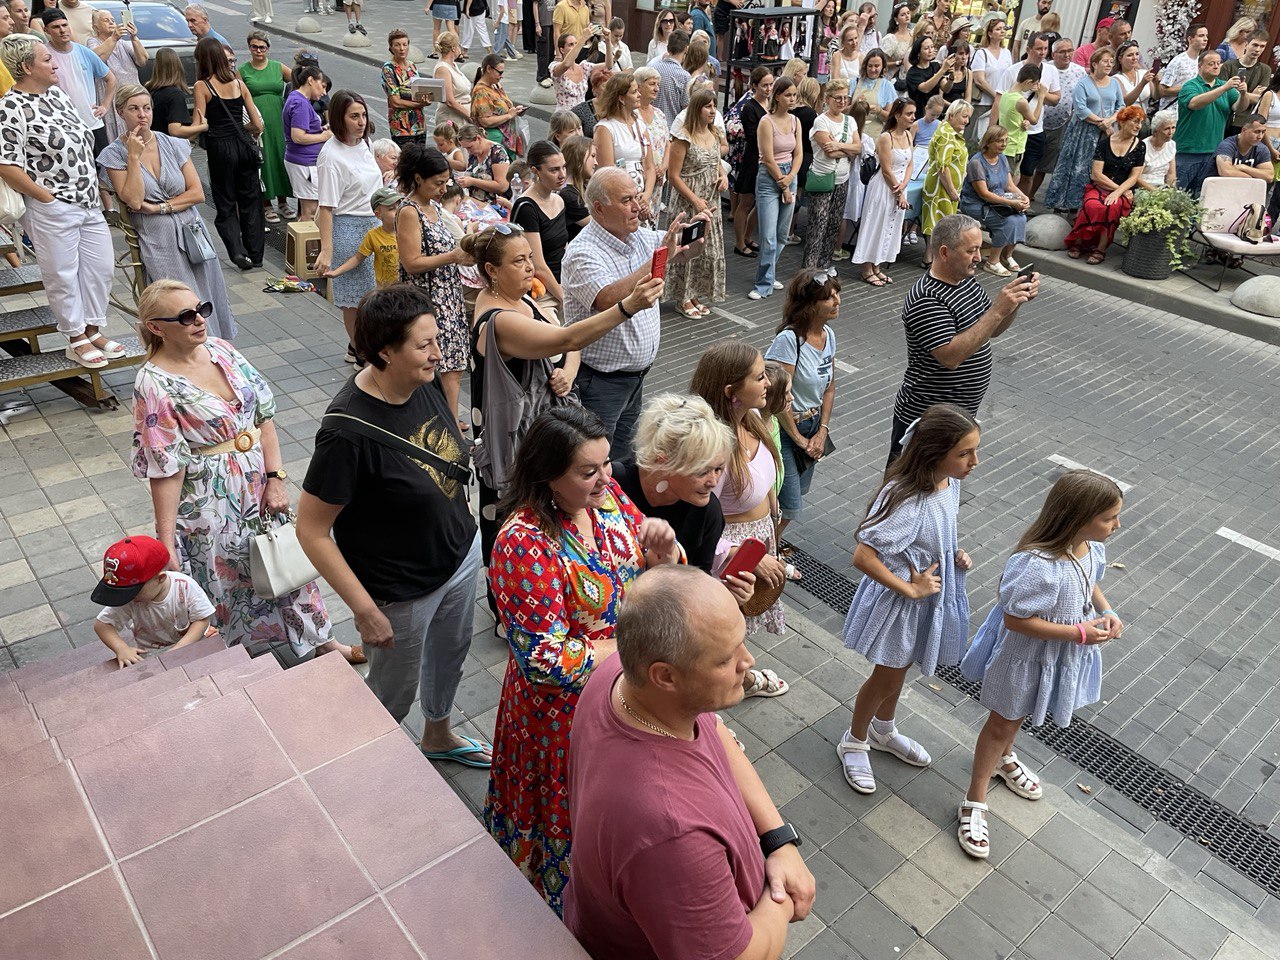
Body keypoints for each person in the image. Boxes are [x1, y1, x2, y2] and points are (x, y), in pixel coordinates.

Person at [563, 566, 816, 960]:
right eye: (724, 659)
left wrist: (778, 840)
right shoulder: (669, 833)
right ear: (665, 675)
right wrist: (781, 898)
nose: (748, 662)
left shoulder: (621, 676)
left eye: (742, 644)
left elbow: (714, 732)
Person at [485, 406, 680, 914]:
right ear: (549, 476)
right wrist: (633, 649)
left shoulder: (608, 499)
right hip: (557, 718)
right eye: (588, 471)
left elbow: (646, 562)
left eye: (607, 463)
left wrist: (663, 552)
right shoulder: (522, 542)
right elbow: (542, 657)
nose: (605, 478)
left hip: (622, 690)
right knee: (564, 810)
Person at [297, 284, 488, 762]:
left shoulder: (424, 385)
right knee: (392, 691)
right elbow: (311, 530)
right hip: (400, 590)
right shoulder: (346, 432)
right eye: (424, 345)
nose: (437, 353)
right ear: (385, 351)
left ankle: (439, 735)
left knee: (450, 659)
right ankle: (371, 762)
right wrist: (363, 610)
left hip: (458, 557)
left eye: (436, 339)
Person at [132, 280, 358, 662]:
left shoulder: (222, 351)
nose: (199, 320)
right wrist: (166, 538)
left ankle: (323, 641)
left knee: (289, 560)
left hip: (257, 484)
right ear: (156, 327)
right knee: (226, 582)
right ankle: (239, 660)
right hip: (207, 503)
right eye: (185, 316)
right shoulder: (152, 382)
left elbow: (263, 417)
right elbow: (165, 464)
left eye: (201, 309)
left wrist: (276, 479)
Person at [465, 222, 663, 569]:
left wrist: (568, 373)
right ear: (491, 270)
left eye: (529, 257)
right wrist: (627, 307)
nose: (530, 267)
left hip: (545, 435)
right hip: (519, 446)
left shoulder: (524, 298)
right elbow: (568, 339)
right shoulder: (498, 320)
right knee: (523, 527)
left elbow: (569, 346)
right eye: (518, 261)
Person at [958, 470, 1124, 858]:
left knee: (1016, 717)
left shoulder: (1088, 546)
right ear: (1077, 517)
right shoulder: (1037, 564)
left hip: (1052, 653)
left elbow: (1091, 579)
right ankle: (974, 799)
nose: (1117, 525)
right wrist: (1079, 634)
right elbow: (1016, 619)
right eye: (1109, 518)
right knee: (1002, 722)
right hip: (1025, 657)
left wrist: (1106, 608)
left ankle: (1004, 759)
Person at [838, 405, 979, 795]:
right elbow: (863, 555)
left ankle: (884, 729)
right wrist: (909, 588)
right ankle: (854, 739)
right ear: (935, 453)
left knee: (900, 671)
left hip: (925, 598)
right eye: (965, 453)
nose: (974, 462)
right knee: (887, 675)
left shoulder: (949, 484)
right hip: (902, 604)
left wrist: (955, 553)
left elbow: (939, 532)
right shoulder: (907, 499)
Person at [561, 167, 707, 459]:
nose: (638, 206)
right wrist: (659, 259)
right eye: (627, 200)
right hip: (599, 382)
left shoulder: (638, 235)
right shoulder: (582, 252)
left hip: (635, 378)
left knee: (623, 455)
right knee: (595, 457)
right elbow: (606, 298)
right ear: (600, 208)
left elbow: (677, 253)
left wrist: (693, 243)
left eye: (637, 197)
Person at [0, 33, 119, 369]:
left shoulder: (57, 94)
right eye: (46, 59)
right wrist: (45, 197)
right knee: (62, 275)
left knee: (100, 268)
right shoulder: (10, 107)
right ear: (26, 67)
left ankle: (93, 328)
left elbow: (80, 140)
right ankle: (75, 336)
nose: (54, 63)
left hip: (87, 200)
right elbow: (6, 163)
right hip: (53, 206)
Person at [888, 214, 1038, 461]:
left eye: (979, 248)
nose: (979, 257)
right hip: (927, 420)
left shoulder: (967, 281)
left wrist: (1014, 302)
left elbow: (993, 329)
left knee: (943, 489)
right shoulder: (926, 298)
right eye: (972, 250)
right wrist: (998, 309)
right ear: (945, 252)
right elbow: (951, 356)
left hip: (959, 416)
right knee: (909, 490)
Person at [99, 84, 235, 339]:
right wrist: (133, 157)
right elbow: (135, 201)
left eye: (147, 108)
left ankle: (214, 350)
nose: (142, 114)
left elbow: (197, 193)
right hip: (157, 239)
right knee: (176, 303)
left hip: (192, 232)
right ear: (120, 112)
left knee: (207, 294)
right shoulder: (113, 154)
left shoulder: (173, 144)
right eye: (134, 108)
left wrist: (161, 207)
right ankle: (183, 354)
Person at [690, 342, 792, 654]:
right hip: (728, 553)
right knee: (720, 633)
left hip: (755, 543)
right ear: (731, 389)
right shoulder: (712, 447)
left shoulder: (752, 418)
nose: (769, 383)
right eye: (760, 378)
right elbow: (695, 523)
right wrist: (744, 556)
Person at [393, 143, 471, 430]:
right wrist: (453, 256)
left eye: (445, 182)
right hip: (428, 298)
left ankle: (448, 418)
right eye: (437, 183)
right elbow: (411, 262)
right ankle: (442, 422)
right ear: (418, 179)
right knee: (436, 363)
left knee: (454, 363)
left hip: (448, 294)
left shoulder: (434, 207)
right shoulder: (410, 211)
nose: (442, 189)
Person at [764, 268, 838, 536]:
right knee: (789, 505)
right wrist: (797, 438)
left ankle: (770, 550)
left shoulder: (829, 336)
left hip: (812, 425)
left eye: (837, 293)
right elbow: (778, 398)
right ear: (810, 305)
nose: (838, 301)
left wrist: (822, 430)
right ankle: (763, 555)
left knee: (792, 501)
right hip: (784, 430)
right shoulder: (789, 340)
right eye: (829, 297)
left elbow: (829, 387)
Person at [315, 90, 381, 358]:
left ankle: (360, 347)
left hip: (375, 225)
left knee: (374, 296)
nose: (361, 121)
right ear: (339, 118)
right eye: (354, 116)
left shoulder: (364, 143)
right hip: (348, 230)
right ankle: (360, 352)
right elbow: (326, 208)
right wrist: (327, 250)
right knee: (355, 301)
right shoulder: (330, 156)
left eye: (363, 115)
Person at [193, 36, 263, 271]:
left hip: (220, 148)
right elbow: (257, 124)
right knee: (250, 200)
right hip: (244, 146)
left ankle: (237, 252)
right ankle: (256, 253)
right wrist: (241, 131)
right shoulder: (238, 84)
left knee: (225, 202)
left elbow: (199, 124)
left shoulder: (203, 86)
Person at [92, 535, 216, 667]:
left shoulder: (185, 587)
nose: (128, 598)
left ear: (160, 578)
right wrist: (122, 649)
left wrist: (179, 649)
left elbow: (202, 620)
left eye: (132, 592)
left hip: (193, 643)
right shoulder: (132, 599)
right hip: (152, 653)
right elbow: (102, 625)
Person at [665, 88, 725, 318]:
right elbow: (674, 175)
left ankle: (696, 293)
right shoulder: (683, 136)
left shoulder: (715, 133)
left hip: (711, 198)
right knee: (687, 247)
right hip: (688, 200)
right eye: (707, 106)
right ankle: (682, 297)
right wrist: (694, 200)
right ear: (696, 108)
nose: (712, 111)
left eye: (714, 106)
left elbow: (716, 161)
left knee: (705, 248)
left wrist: (723, 175)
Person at [1064, 104, 1146, 264]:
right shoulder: (1104, 143)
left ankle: (1100, 249)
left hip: (1123, 189)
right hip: (1102, 187)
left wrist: (1119, 193)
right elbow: (1096, 175)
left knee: (1113, 207)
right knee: (1093, 205)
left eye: (1141, 122)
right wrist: (1118, 191)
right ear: (1122, 122)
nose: (1139, 126)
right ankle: (1078, 242)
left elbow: (1134, 177)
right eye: (1135, 121)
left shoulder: (1140, 146)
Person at [1043, 47, 1121, 212]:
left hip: (1105, 133)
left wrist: (1110, 121)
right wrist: (1102, 122)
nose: (1109, 64)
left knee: (1097, 169)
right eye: (1105, 61)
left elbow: (1120, 106)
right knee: (1075, 167)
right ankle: (1064, 204)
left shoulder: (1114, 83)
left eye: (1111, 61)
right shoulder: (1083, 83)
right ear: (1094, 63)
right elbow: (1081, 109)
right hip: (1083, 133)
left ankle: (1087, 206)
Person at [748, 75, 801, 302]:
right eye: (787, 95)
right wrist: (783, 182)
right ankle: (763, 283)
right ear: (777, 96)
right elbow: (767, 158)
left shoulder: (795, 121)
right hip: (770, 179)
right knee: (768, 236)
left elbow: (798, 153)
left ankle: (769, 273)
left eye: (794, 95)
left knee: (781, 234)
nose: (791, 99)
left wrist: (790, 178)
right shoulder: (765, 122)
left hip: (789, 175)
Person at [854, 97, 914, 287]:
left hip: (899, 187)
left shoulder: (908, 136)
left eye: (913, 113)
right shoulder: (885, 137)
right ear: (897, 115)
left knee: (891, 226)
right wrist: (898, 192)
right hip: (883, 188)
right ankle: (866, 269)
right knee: (876, 225)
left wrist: (903, 184)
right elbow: (887, 170)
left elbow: (910, 163)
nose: (913, 117)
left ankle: (877, 265)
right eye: (909, 114)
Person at [40, 9, 112, 160]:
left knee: (106, 172)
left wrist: (104, 105)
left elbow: (110, 79)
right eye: (55, 27)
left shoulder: (83, 51)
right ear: (46, 30)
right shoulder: (44, 55)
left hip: (93, 123)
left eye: (64, 25)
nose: (62, 30)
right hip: (63, 127)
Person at [803, 79, 860, 270]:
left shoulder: (850, 121)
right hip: (823, 177)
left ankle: (824, 266)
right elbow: (830, 152)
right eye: (838, 98)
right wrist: (848, 149)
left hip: (842, 179)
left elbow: (858, 147)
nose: (843, 101)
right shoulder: (821, 121)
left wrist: (839, 145)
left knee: (834, 224)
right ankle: (809, 269)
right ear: (828, 99)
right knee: (818, 225)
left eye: (846, 97)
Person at [960, 125, 1029, 276]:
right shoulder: (976, 163)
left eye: (1005, 141)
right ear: (988, 143)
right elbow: (984, 194)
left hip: (999, 201)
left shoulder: (1002, 158)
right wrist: (1011, 203)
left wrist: (1023, 197)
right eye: (999, 141)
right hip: (976, 204)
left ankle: (1007, 255)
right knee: (1008, 221)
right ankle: (992, 261)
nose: (1004, 144)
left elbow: (1009, 185)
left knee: (1022, 217)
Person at [1176, 50, 1245, 196]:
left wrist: (1243, 94)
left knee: (1202, 195)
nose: (1216, 66)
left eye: (1218, 63)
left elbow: (1238, 108)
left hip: (1213, 150)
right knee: (1178, 192)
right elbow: (1194, 103)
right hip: (1188, 150)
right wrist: (1224, 88)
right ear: (1200, 66)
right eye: (1211, 63)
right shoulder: (1191, 85)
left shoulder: (1223, 86)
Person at [240, 30, 291, 224]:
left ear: (268, 49)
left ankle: (283, 201)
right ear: (249, 48)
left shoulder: (278, 67)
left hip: (279, 121)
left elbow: (300, 80)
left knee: (280, 157)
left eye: (262, 47)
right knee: (263, 160)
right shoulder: (243, 71)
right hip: (257, 123)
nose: (258, 50)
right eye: (254, 46)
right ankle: (266, 204)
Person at [511, 140, 569, 307]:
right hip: (541, 290)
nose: (562, 175)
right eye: (554, 170)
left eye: (563, 167)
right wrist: (564, 299)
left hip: (564, 281)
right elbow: (538, 265)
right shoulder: (527, 208)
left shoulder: (559, 200)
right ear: (535, 171)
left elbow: (564, 247)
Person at [594, 72, 656, 225]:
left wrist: (646, 197)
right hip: (621, 201)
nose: (639, 95)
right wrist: (632, 199)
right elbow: (607, 173)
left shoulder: (640, 125)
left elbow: (649, 167)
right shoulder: (605, 128)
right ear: (621, 98)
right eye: (634, 92)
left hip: (642, 201)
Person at [1030, 37, 1084, 198]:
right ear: (1053, 54)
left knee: (1045, 164)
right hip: (1035, 121)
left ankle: (1031, 194)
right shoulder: (1045, 68)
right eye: (1062, 52)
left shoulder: (1079, 71)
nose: (1067, 54)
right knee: (1028, 161)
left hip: (1060, 125)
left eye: (1070, 50)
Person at [921, 100, 971, 264]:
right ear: (951, 115)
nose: (967, 121)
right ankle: (930, 257)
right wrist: (951, 190)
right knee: (936, 222)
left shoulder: (952, 131)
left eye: (968, 117)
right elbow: (943, 167)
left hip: (947, 187)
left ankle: (934, 256)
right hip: (941, 187)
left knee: (942, 222)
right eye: (964, 117)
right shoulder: (946, 134)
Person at [730, 66, 771, 258]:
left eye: (771, 85)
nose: (769, 89)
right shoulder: (749, 108)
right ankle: (739, 242)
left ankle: (747, 236)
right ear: (754, 86)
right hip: (753, 160)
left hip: (766, 159)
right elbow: (754, 137)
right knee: (746, 201)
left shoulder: (770, 104)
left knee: (760, 202)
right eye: (764, 85)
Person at [86, 8, 144, 144]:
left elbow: (142, 60)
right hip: (112, 100)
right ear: (96, 27)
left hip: (132, 96)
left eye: (112, 20)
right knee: (117, 135)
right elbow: (97, 59)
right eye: (106, 20)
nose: (111, 22)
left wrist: (134, 38)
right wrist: (113, 38)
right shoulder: (92, 42)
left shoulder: (123, 43)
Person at [324, 186, 401, 288]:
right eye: (391, 209)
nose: (398, 211)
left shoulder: (411, 231)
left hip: (409, 289)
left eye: (400, 206)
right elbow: (358, 258)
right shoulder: (373, 236)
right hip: (386, 291)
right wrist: (336, 272)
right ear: (378, 215)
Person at [282, 65, 329, 222]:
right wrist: (324, 136)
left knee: (311, 210)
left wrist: (319, 129)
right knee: (310, 211)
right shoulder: (300, 103)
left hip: (304, 161)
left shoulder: (298, 99)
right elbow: (298, 136)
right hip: (304, 163)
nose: (324, 93)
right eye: (322, 86)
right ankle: (307, 246)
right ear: (310, 80)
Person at [633, 65, 670, 223]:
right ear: (639, 86)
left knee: (653, 221)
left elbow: (668, 143)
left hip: (658, 179)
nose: (656, 88)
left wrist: (664, 166)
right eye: (652, 84)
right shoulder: (632, 115)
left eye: (657, 85)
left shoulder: (659, 114)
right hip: (639, 178)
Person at [470, 52, 526, 158]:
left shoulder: (494, 86)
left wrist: (515, 111)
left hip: (504, 141)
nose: (501, 76)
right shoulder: (481, 91)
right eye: (499, 72)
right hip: (495, 140)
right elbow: (485, 121)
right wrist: (509, 116)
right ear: (488, 69)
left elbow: (504, 107)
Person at [968, 18, 1010, 149]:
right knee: (977, 138)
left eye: (1003, 28)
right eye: (998, 29)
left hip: (1002, 104)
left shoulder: (1007, 53)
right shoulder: (982, 53)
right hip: (984, 102)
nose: (1002, 31)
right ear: (990, 33)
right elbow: (979, 79)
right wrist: (996, 95)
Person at [145, 47, 203, 140]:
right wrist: (202, 127)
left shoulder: (149, 90)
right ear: (178, 66)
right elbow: (175, 130)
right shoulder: (175, 95)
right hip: (169, 146)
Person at [1223, 31, 1272, 138]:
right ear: (1246, 44)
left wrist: (1242, 93)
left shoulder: (1265, 70)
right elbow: (1222, 93)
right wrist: (1251, 95)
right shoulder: (1229, 65)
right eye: (1255, 45)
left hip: (1246, 123)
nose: (1258, 49)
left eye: (1262, 46)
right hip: (1225, 119)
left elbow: (1262, 99)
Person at [381, 29, 424, 148]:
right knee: (407, 162)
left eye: (405, 44)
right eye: (397, 45)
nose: (402, 48)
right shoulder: (389, 69)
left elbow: (419, 90)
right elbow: (396, 102)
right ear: (391, 47)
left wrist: (427, 98)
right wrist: (418, 104)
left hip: (419, 125)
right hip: (401, 127)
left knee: (421, 162)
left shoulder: (412, 65)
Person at [1158, 23, 1209, 114]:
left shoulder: (1201, 62)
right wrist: (1190, 88)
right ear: (1190, 39)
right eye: (1201, 36)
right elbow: (1163, 90)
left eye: (1206, 36)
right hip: (1171, 113)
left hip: (1188, 113)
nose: (1205, 39)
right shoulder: (1178, 61)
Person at [851, 48, 896, 140]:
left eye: (877, 66)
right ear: (865, 66)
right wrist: (857, 106)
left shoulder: (887, 86)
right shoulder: (854, 82)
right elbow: (843, 111)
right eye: (870, 66)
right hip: (853, 133)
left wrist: (879, 111)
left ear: (883, 67)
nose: (873, 69)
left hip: (874, 136)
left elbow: (891, 118)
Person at [1214, 114, 1275, 183]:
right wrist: (1253, 178)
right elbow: (1226, 172)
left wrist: (1243, 167)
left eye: (1263, 132)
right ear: (1243, 130)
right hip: (1219, 188)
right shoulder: (1227, 145)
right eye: (1256, 132)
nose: (1260, 137)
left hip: (1243, 190)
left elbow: (1269, 176)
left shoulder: (1261, 149)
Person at [906, 35, 956, 117]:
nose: (930, 51)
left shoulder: (935, 66)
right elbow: (925, 88)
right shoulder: (913, 72)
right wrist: (943, 70)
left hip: (935, 113)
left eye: (932, 47)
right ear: (918, 52)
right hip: (919, 113)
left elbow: (945, 88)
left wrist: (951, 78)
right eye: (926, 48)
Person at [651, 28, 690, 126]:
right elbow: (687, 109)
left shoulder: (652, 68)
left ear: (668, 48)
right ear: (686, 48)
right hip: (673, 128)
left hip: (653, 126)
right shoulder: (685, 76)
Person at [561, 132, 595, 240]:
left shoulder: (582, 187)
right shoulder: (569, 195)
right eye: (593, 156)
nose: (596, 162)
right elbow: (600, 226)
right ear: (579, 157)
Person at [1139, 108, 1178, 189]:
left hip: (1162, 188)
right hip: (1143, 189)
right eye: (1167, 129)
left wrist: (1171, 192)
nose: (1171, 132)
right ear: (1156, 130)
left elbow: (1171, 174)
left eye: (1173, 127)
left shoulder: (1171, 145)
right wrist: (1155, 192)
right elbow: (1136, 177)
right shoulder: (1143, 146)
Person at [1111, 39, 1156, 109]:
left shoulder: (1144, 73)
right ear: (1120, 59)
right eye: (1130, 55)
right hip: (1126, 118)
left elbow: (1156, 96)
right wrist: (1142, 84)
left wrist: (1157, 83)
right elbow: (1125, 102)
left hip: (1143, 117)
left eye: (1137, 54)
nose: (1134, 58)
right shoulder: (1115, 79)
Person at [551, 32, 587, 109]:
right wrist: (583, 39)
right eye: (571, 45)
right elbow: (566, 64)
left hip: (581, 116)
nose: (575, 47)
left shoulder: (583, 66)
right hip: (565, 117)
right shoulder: (554, 66)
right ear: (562, 50)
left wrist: (608, 41)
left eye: (576, 44)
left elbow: (608, 66)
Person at [881, 3, 913, 80]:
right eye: (903, 15)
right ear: (896, 19)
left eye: (908, 13)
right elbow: (881, 62)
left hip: (910, 77)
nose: (907, 16)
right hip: (894, 78)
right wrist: (897, 63)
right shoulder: (891, 38)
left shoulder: (913, 34)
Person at [830, 22, 861, 87]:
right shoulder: (837, 55)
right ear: (843, 41)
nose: (854, 42)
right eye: (850, 40)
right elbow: (834, 80)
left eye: (856, 38)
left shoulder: (861, 57)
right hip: (839, 92)